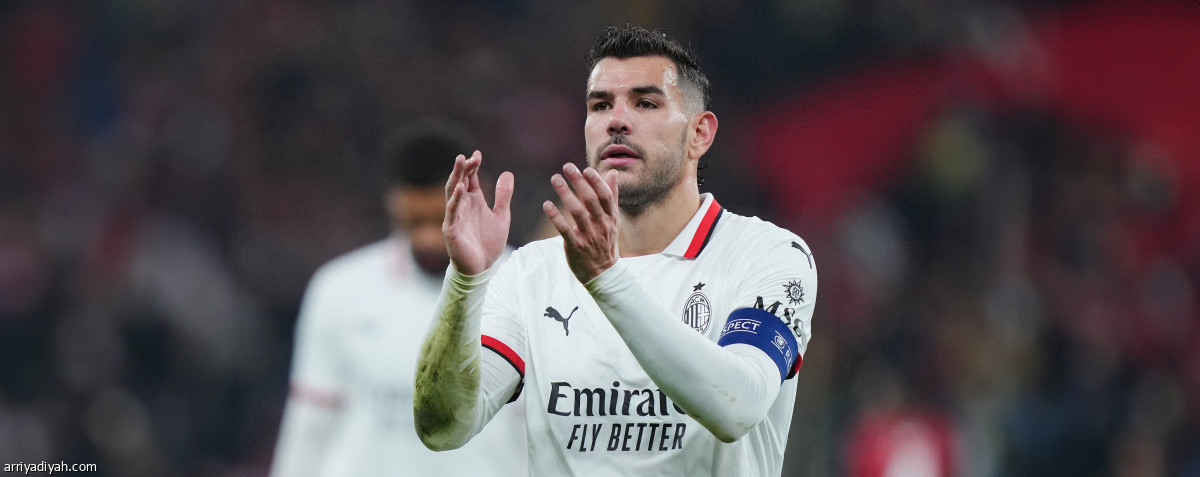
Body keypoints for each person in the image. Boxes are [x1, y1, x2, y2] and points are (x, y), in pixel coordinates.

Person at [414, 24, 818, 476]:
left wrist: (607, 278)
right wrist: (465, 281)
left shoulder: (768, 255)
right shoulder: (531, 271)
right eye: (601, 105)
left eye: (645, 103)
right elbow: (443, 428)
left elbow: (737, 408)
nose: (616, 120)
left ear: (699, 134)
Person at [270, 121, 527, 477]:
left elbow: (543, 431)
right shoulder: (340, 289)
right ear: (392, 205)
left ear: (473, 193)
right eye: (413, 222)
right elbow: (310, 426)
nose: (427, 239)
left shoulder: (524, 286)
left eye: (441, 220)